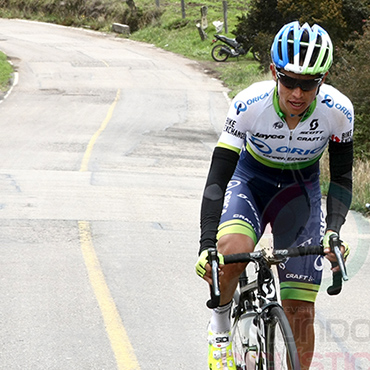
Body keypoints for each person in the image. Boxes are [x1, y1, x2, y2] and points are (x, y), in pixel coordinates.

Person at [195, 21, 353, 370]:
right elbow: (218, 175)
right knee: (231, 251)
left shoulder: (338, 112)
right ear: (273, 72)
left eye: (308, 83)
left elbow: (341, 177)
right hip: (252, 182)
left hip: (300, 192)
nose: (297, 93)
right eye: (289, 81)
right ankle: (219, 327)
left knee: (300, 311)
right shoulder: (249, 104)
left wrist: (335, 230)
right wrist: (207, 242)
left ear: (322, 80)